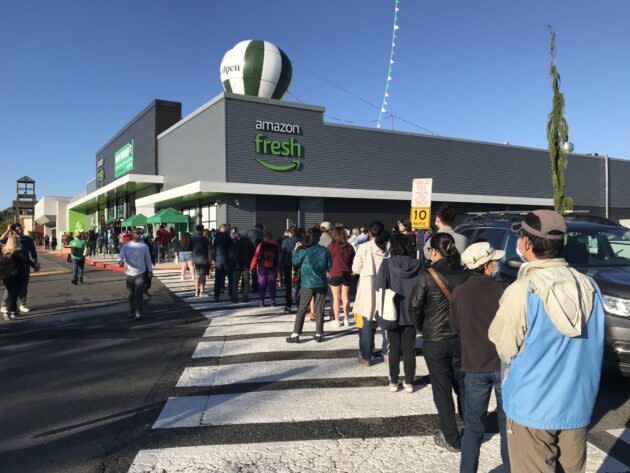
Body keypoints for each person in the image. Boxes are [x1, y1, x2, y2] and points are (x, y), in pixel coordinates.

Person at [488, 210, 604, 473]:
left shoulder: (522, 290)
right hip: (577, 403)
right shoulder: (590, 287)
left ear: (526, 244)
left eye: (520, 236)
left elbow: (505, 346)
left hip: (532, 405)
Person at [451, 242, 509, 472]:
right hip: (502, 363)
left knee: (474, 425)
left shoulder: (459, 292)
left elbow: (455, 326)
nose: (497, 263)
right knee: (507, 425)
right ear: (486, 266)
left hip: (473, 363)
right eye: (494, 260)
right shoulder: (502, 290)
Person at [411, 232, 469, 452]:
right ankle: (471, 427)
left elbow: (415, 307)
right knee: (462, 384)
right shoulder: (465, 275)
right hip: (460, 337)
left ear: (434, 252)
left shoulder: (428, 275)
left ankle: (452, 438)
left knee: (441, 389)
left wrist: (422, 328)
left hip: (434, 339)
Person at [375, 233, 422, 392]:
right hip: (412, 311)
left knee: (393, 348)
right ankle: (409, 382)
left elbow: (379, 285)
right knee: (409, 348)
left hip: (391, 310)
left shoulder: (387, 264)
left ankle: (393, 382)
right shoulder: (418, 264)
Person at [353, 221, 390, 366]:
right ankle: (387, 354)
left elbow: (355, 269)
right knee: (386, 323)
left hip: (367, 289)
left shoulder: (364, 247)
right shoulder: (388, 247)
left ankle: (366, 356)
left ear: (370, 232)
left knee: (366, 323)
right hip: (385, 288)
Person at [286, 227, 332, 343]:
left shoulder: (304, 250)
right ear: (318, 237)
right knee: (319, 308)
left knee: (302, 308)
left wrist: (295, 250)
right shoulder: (324, 250)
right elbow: (329, 266)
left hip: (307, 283)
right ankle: (319, 333)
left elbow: (295, 262)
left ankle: (296, 334)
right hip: (321, 282)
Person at [1, 223, 38, 314]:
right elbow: (1, 239)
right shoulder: (10, 238)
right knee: (11, 287)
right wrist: (8, 230)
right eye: (17, 229)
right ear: (13, 230)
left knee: (24, 286)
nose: (19, 230)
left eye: (20, 229)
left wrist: (36, 262)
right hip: (12, 267)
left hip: (24, 265)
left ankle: (22, 304)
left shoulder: (28, 239)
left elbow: (33, 252)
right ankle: (4, 305)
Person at [118, 227, 153, 320]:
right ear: (132, 234)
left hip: (140, 273)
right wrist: (120, 262)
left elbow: (148, 259)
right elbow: (121, 255)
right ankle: (131, 310)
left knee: (139, 294)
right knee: (131, 294)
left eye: (140, 233)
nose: (139, 235)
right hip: (129, 274)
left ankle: (138, 312)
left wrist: (150, 271)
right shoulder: (126, 245)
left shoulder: (144, 246)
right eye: (137, 233)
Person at [327, 226, 355, 327]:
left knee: (336, 298)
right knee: (345, 298)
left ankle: (337, 319)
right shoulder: (349, 246)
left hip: (334, 273)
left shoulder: (331, 247)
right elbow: (353, 260)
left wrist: (329, 270)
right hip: (346, 273)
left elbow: (327, 261)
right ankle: (346, 319)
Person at [250, 231, 280, 307]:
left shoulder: (261, 245)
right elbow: (279, 257)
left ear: (264, 237)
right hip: (273, 268)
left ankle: (261, 301)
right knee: (272, 285)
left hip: (261, 268)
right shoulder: (276, 245)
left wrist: (252, 267)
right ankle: (273, 301)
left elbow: (256, 256)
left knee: (262, 285)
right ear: (271, 237)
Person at [280, 225, 302, 313]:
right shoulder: (301, 240)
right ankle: (299, 305)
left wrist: (280, 265)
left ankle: (288, 306)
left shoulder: (285, 241)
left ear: (289, 232)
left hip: (288, 266)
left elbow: (282, 253)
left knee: (288, 286)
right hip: (298, 266)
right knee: (298, 286)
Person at [230, 232, 255, 303]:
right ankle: (245, 297)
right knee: (246, 283)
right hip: (246, 266)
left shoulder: (235, 243)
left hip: (236, 266)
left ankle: (234, 298)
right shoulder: (250, 244)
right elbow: (254, 255)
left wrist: (233, 263)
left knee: (235, 283)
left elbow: (231, 255)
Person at [212, 224, 234, 302]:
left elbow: (213, 249)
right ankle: (231, 294)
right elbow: (231, 251)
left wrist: (214, 259)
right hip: (227, 261)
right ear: (226, 229)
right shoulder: (229, 238)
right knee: (230, 278)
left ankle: (216, 296)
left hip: (218, 260)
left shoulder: (216, 237)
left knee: (218, 279)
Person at [191, 224, 211, 297]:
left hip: (195, 259)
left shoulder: (193, 238)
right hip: (203, 259)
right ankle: (202, 291)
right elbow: (209, 250)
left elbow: (191, 249)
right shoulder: (206, 239)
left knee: (197, 276)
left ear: (196, 230)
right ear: (202, 230)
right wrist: (210, 260)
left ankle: (196, 291)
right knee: (202, 276)